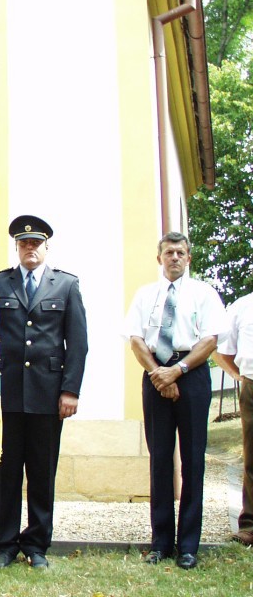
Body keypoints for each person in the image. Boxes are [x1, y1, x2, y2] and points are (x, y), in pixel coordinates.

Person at [124, 231, 228, 569]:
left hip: (191, 374)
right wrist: (159, 373)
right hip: (155, 373)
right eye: (169, 253)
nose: (175, 258)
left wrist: (178, 371)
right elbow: (136, 338)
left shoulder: (203, 293)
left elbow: (210, 340)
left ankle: (188, 546)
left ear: (189, 258)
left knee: (193, 460)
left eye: (181, 253)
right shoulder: (145, 294)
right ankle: (161, 544)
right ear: (160, 258)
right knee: (159, 461)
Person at [0, 215, 88, 570]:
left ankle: (36, 545)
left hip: (48, 396)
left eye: (35, 243)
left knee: (42, 473)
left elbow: (77, 343)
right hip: (8, 395)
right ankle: (4, 545)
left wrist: (70, 390)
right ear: (17, 247)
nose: (29, 248)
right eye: (23, 243)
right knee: (6, 473)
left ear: (47, 247)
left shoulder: (66, 285)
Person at [214, 292, 253, 546]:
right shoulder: (243, 306)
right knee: (252, 456)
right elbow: (222, 351)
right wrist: (241, 376)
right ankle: (250, 525)